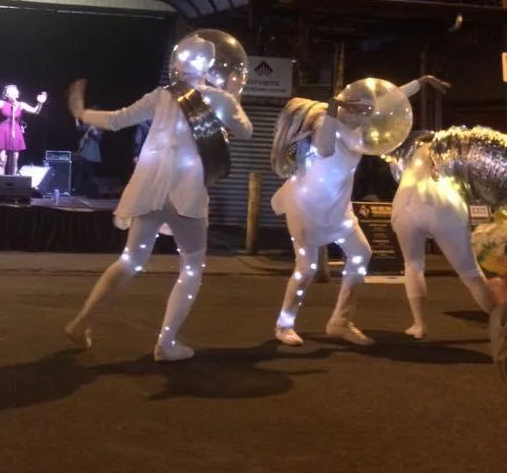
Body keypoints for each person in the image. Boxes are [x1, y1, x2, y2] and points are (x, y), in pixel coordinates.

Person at [63, 64, 253, 363]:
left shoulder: (162, 95)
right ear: (209, 66)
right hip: (186, 194)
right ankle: (166, 342)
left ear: (178, 65)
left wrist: (82, 112)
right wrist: (232, 97)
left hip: (151, 190)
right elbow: (245, 131)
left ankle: (80, 324)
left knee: (131, 260)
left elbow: (116, 120)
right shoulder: (219, 98)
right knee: (192, 267)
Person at [269, 75, 449, 347]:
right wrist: (332, 109)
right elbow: (324, 149)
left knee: (361, 253)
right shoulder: (325, 123)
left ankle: (340, 322)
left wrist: (420, 83)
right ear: (347, 107)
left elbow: (391, 100)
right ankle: (284, 325)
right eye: (361, 109)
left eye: (368, 109)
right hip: (306, 208)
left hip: (339, 209)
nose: (367, 113)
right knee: (306, 268)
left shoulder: (359, 127)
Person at [389, 129, 499, 339]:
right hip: (443, 206)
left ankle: (419, 325)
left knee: (413, 265)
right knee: (470, 273)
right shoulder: (450, 150)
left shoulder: (408, 157)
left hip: (404, 206)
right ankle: (500, 322)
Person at [0, 84, 47, 175]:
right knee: (2, 160)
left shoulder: (21, 104)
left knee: (14, 160)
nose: (11, 93)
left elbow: (35, 111)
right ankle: (0, 181)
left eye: (13, 91)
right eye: (9, 92)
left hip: (15, 131)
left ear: (17, 94)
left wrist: (40, 103)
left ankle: (12, 181)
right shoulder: (2, 103)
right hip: (3, 131)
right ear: (6, 95)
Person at [73, 114, 103, 195]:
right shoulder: (89, 126)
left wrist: (94, 131)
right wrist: (76, 118)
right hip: (85, 153)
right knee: (81, 171)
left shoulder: (100, 127)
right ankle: (78, 190)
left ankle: (91, 191)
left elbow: (99, 139)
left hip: (92, 154)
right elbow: (79, 127)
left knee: (90, 173)